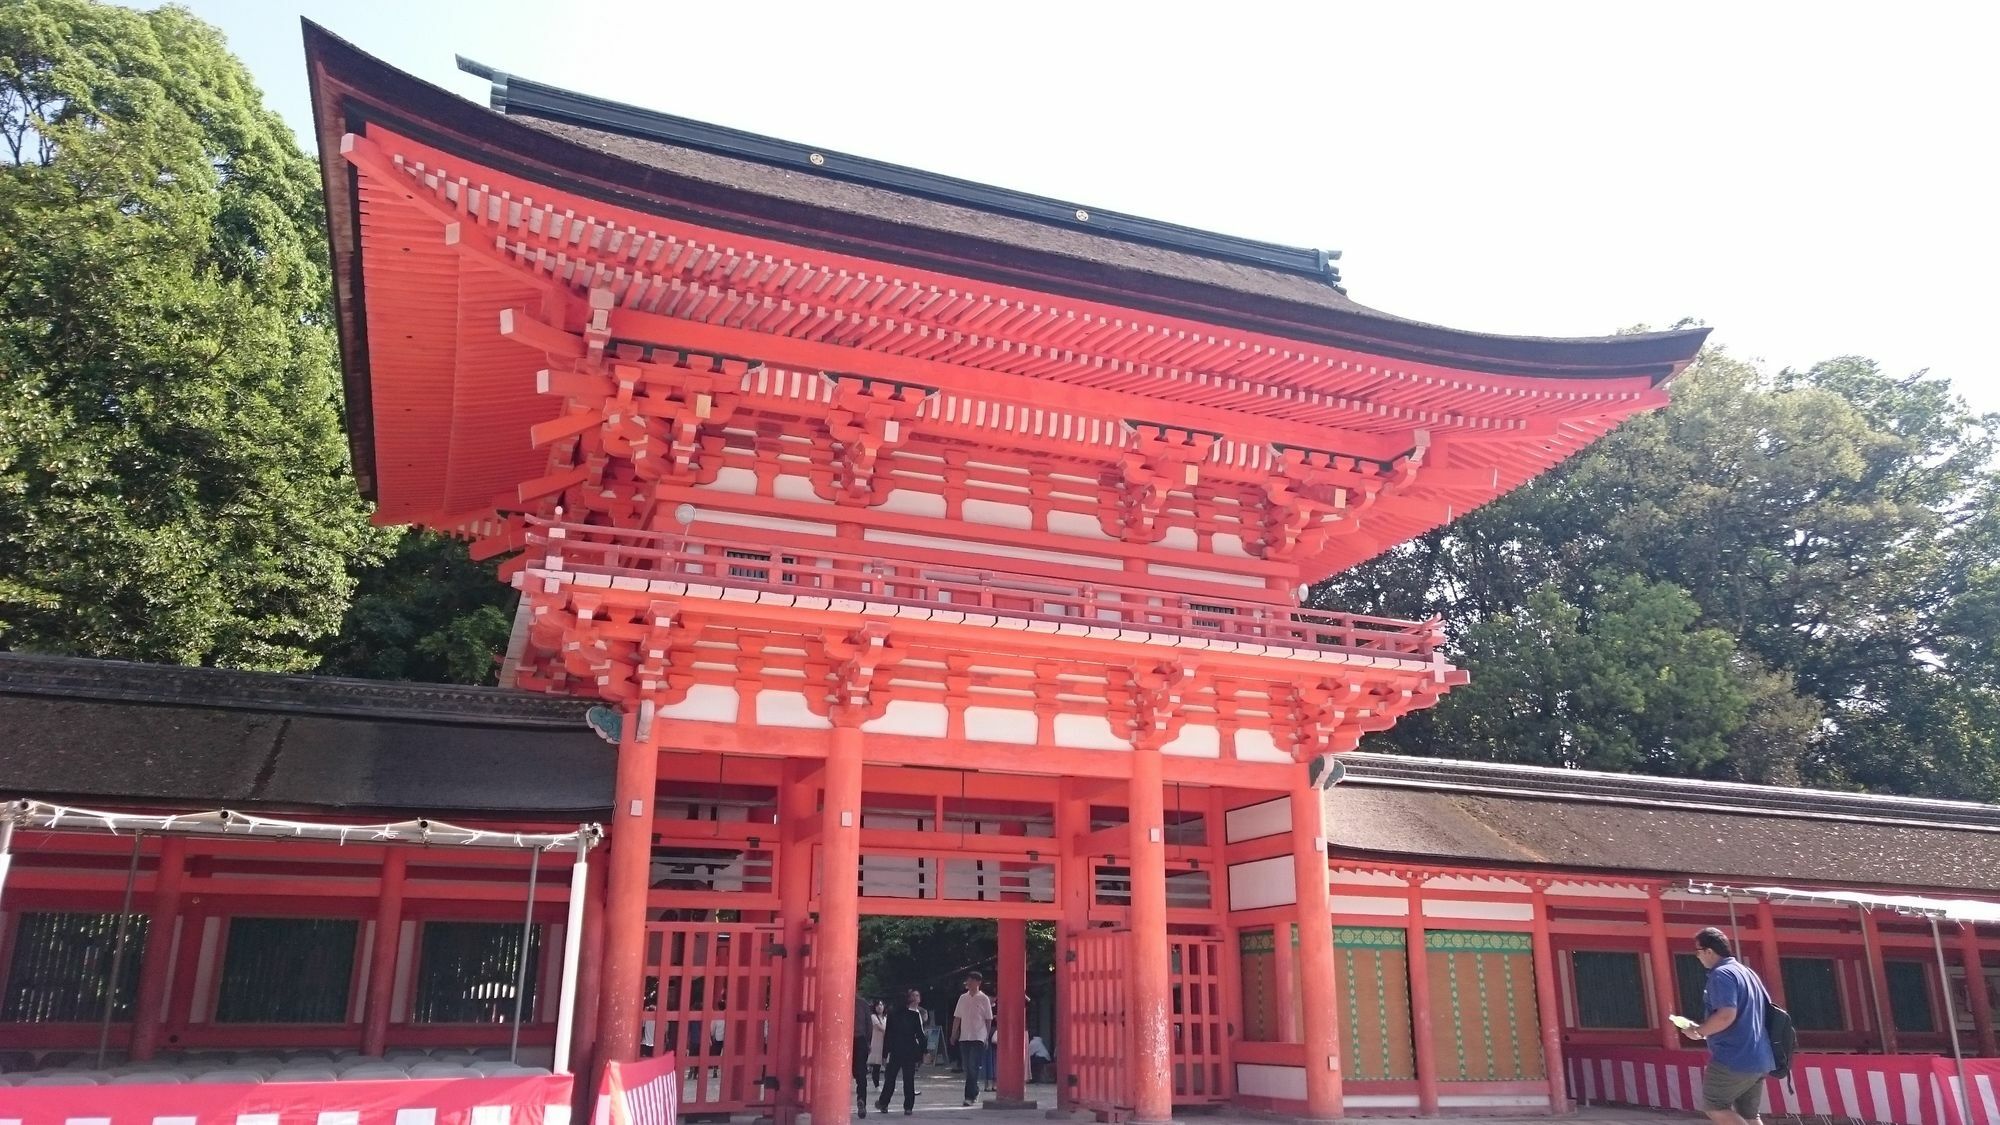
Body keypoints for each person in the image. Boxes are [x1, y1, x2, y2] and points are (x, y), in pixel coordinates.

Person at [1679, 927, 1775, 1125]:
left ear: (1709, 951)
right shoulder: (1747, 972)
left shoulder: (1721, 974)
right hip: (1759, 1055)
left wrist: (1698, 1031)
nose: (1697, 957)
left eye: (1698, 952)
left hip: (1733, 1056)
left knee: (1714, 1106)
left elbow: (1726, 1015)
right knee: (1750, 1114)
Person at [877, 989, 928, 1116]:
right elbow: (921, 1035)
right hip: (910, 1051)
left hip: (895, 1050)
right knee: (909, 1079)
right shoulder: (914, 1016)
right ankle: (908, 1106)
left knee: (890, 1078)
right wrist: (924, 1051)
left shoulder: (892, 1015)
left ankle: (884, 1103)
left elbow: (888, 1036)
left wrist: (884, 1054)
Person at [950, 971, 995, 1107]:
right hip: (965, 1036)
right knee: (967, 1068)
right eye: (967, 981)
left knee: (973, 1066)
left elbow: (988, 1019)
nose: (968, 983)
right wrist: (954, 1034)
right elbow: (957, 1017)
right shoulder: (962, 998)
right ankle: (974, 1091)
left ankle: (968, 1096)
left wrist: (986, 1037)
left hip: (978, 1036)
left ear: (978, 982)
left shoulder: (984, 999)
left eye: (970, 981)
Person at [867, 999, 889, 1089]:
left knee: (887, 1065)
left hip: (885, 1043)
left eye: (881, 1005)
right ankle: (877, 1086)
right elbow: (880, 1028)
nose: (880, 1007)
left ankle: (888, 1085)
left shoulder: (885, 1018)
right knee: (877, 1065)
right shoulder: (873, 1017)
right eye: (878, 1005)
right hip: (876, 1044)